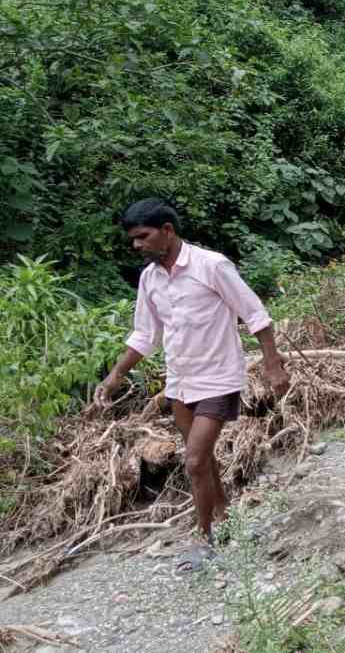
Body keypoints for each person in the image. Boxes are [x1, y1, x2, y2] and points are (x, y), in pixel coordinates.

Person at [93, 198, 290, 563]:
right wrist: (114, 376)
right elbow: (144, 336)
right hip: (180, 381)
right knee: (204, 457)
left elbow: (255, 313)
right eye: (132, 239)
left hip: (218, 377)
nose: (136, 245)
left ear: (167, 231)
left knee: (195, 460)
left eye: (143, 236)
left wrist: (272, 365)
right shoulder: (150, 279)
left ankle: (203, 539)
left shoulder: (211, 266)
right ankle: (225, 517)